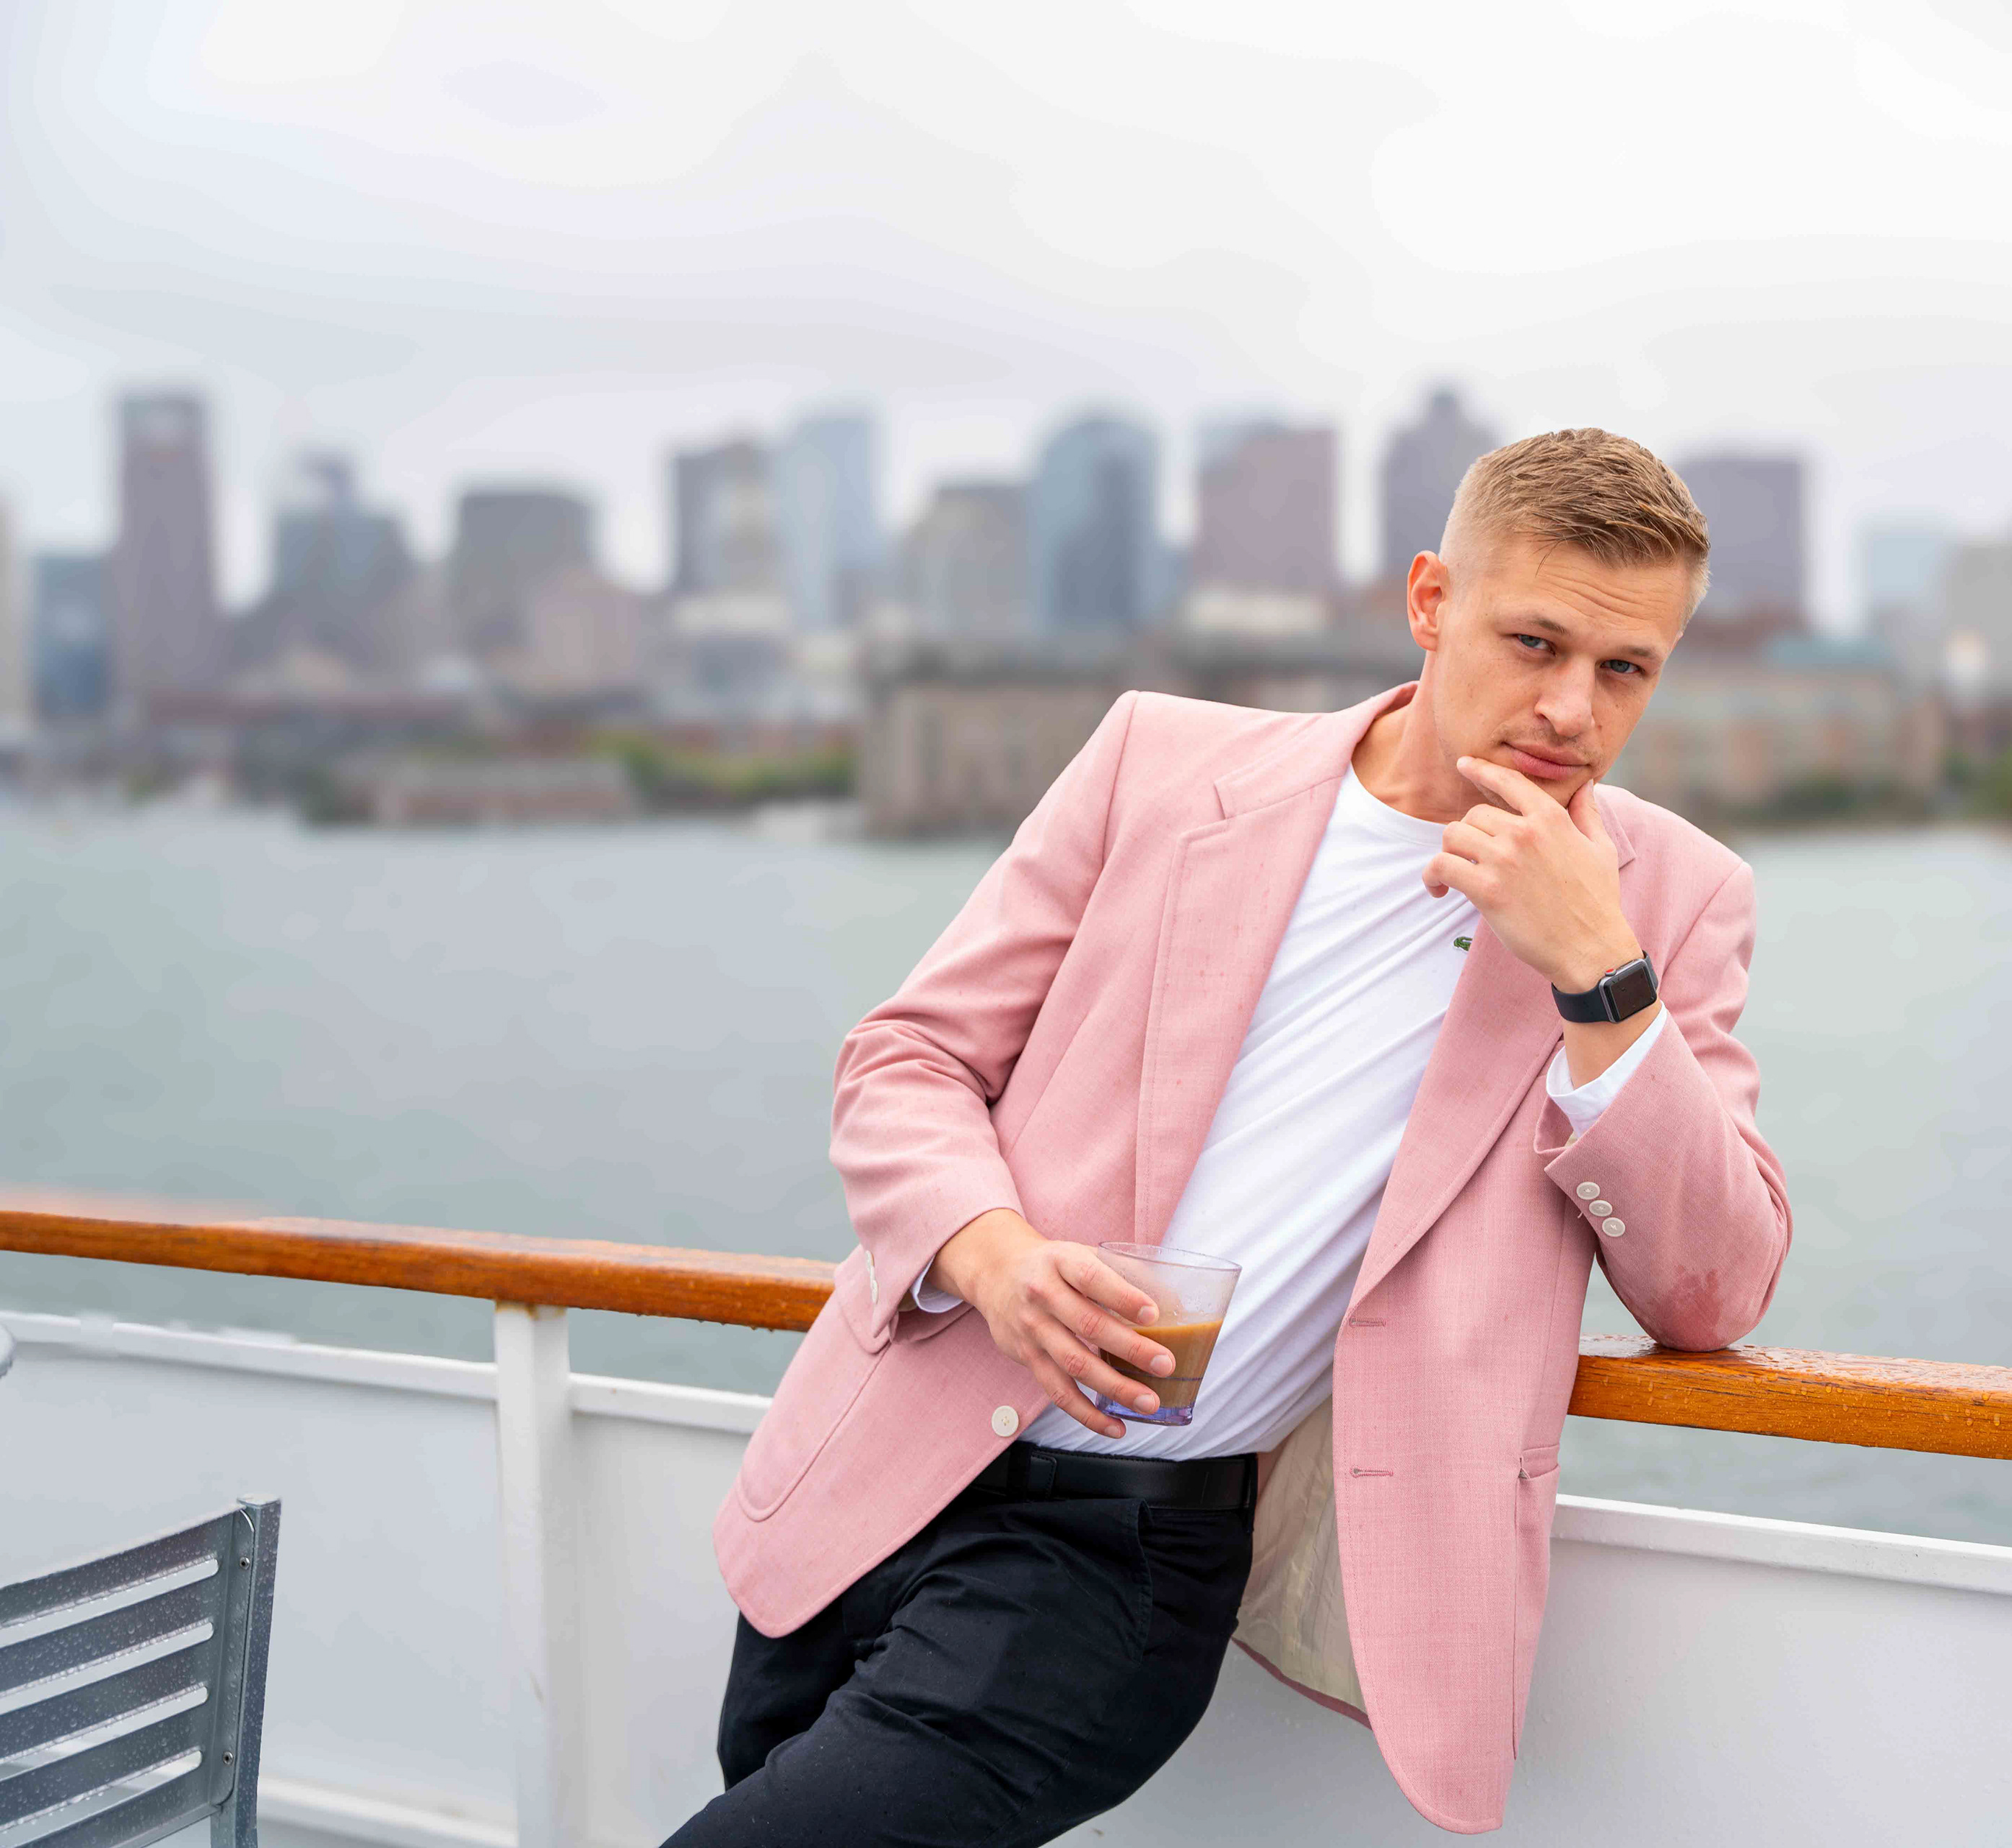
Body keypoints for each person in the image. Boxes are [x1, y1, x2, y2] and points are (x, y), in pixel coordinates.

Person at [670, 427, 1790, 1845]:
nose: (1572, 707)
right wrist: (995, 1254)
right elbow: (910, 1057)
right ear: (1431, 600)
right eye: (1535, 643)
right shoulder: (1159, 761)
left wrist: (1601, 978)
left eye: (1626, 669)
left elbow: (1715, 1291)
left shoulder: (1671, 902)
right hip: (875, 1463)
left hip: (1113, 1557)